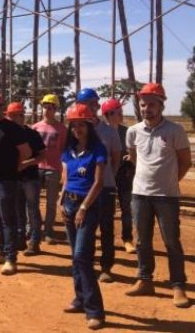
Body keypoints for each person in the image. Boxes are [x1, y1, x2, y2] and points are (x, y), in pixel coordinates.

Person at [124, 83, 191, 308]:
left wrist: (170, 181)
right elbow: (133, 158)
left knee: (171, 241)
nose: (147, 108)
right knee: (142, 241)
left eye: (152, 104)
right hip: (139, 194)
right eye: (143, 104)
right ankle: (145, 280)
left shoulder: (175, 130)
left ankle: (178, 285)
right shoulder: (133, 131)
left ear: (161, 105)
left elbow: (185, 162)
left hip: (166, 196)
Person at [59, 103, 106, 330]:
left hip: (87, 207)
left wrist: (84, 207)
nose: (77, 129)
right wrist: (60, 201)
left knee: (82, 257)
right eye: (74, 125)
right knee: (74, 256)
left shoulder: (98, 149)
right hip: (68, 204)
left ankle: (95, 311)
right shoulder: (68, 150)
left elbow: (98, 183)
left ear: (89, 125)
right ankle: (79, 299)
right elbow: (66, 179)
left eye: (81, 124)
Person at [0, 91, 30, 276]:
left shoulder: (12, 128)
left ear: (1, 106)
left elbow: (25, 152)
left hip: (6, 181)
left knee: (9, 220)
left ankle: (11, 258)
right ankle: (1, 252)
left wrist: (13, 167)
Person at [76, 88, 122, 283]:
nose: (91, 107)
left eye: (94, 103)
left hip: (105, 187)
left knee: (106, 227)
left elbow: (116, 158)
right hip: (82, 188)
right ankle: (86, 265)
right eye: (87, 103)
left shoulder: (109, 131)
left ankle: (106, 267)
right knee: (85, 228)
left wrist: (105, 177)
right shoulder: (76, 128)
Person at [6, 102, 46, 256]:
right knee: (17, 209)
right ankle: (20, 238)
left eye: (19, 115)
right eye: (12, 116)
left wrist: (25, 164)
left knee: (32, 209)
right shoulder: (6, 135)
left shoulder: (31, 134)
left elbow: (42, 155)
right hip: (14, 178)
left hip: (30, 178)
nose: (17, 118)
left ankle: (34, 241)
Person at [101, 99, 136, 254]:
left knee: (126, 209)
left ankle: (127, 239)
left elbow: (135, 151)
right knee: (104, 210)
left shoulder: (127, 132)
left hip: (124, 176)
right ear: (108, 115)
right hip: (105, 175)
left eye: (121, 112)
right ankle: (104, 238)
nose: (121, 115)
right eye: (118, 112)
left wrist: (131, 157)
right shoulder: (100, 132)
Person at [32, 94, 67, 245]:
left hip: (53, 168)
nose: (48, 110)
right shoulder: (35, 127)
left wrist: (64, 171)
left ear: (56, 109)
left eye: (51, 107)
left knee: (51, 203)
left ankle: (48, 232)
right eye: (45, 106)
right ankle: (34, 230)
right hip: (36, 168)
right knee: (32, 201)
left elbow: (65, 150)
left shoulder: (62, 129)